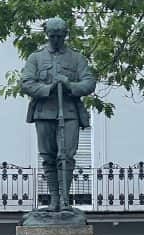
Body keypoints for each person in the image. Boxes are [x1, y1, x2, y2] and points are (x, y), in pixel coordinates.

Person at [20, 18, 96, 211]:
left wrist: (70, 85)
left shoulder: (77, 58)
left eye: (59, 36)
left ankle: (65, 198)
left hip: (69, 113)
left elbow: (89, 82)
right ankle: (53, 197)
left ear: (65, 35)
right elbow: (26, 83)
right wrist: (47, 88)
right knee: (48, 157)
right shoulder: (35, 58)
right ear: (47, 35)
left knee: (66, 156)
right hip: (44, 113)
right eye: (52, 36)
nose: (55, 40)